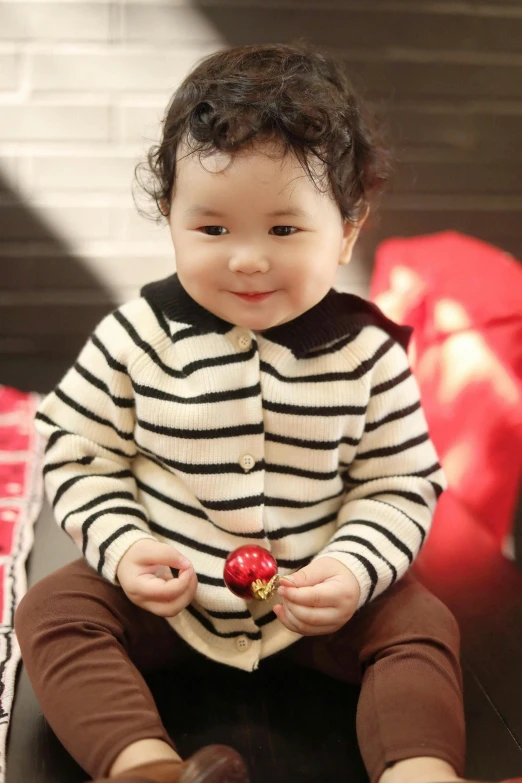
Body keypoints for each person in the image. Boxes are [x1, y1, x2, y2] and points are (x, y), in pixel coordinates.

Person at [14, 40, 507, 783]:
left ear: (347, 228)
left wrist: (352, 566)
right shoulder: (138, 334)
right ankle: (142, 763)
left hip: (316, 600)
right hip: (170, 594)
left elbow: (398, 485)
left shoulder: (367, 352)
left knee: (422, 623)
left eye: (283, 230)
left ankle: (420, 769)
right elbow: (80, 452)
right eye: (212, 229)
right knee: (53, 610)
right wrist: (122, 546)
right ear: (171, 218)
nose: (247, 259)